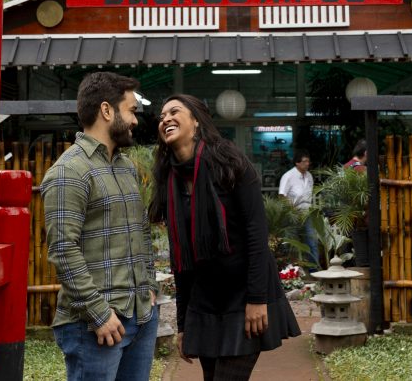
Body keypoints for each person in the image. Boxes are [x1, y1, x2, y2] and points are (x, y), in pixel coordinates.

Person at [150, 94, 300, 381]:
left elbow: (257, 235)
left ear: (196, 121)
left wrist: (257, 299)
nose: (165, 118)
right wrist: (183, 326)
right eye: (161, 115)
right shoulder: (170, 181)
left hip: (244, 294)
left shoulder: (231, 164)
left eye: (174, 111)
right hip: (205, 300)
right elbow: (181, 260)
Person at [41, 72, 158, 381]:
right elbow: (63, 251)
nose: (135, 120)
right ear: (107, 111)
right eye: (131, 110)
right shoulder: (68, 171)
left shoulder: (125, 168)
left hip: (141, 316)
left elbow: (142, 234)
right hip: (95, 325)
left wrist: (150, 289)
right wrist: (99, 313)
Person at [278, 150, 318, 266]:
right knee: (293, 243)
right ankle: (293, 270)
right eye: (305, 161)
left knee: (312, 240)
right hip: (293, 213)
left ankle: (314, 269)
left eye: (308, 161)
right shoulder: (288, 176)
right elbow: (281, 195)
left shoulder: (309, 175)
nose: (307, 163)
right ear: (297, 163)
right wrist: (292, 210)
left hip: (307, 213)